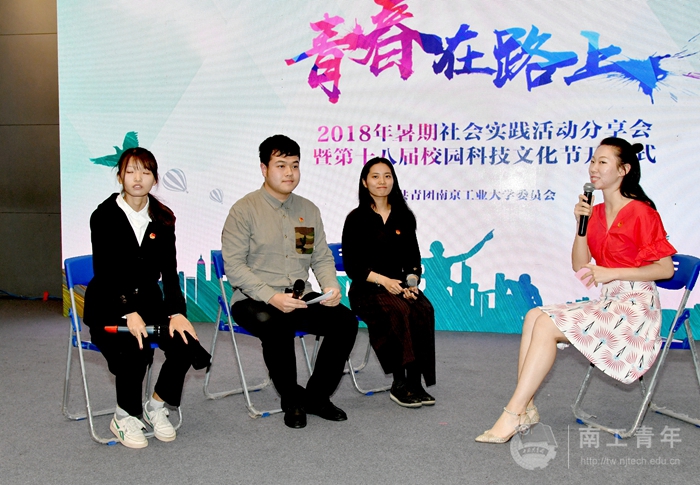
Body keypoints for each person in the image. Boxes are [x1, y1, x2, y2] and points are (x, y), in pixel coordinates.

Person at [476, 137, 676, 443]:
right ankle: (526, 407)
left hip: (635, 310)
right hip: (609, 301)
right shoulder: (595, 213)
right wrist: (582, 223)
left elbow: (665, 269)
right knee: (534, 315)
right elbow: (580, 265)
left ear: (623, 170)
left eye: (603, 162)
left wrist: (613, 272)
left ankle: (513, 412)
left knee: (545, 325)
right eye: (593, 161)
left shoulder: (642, 212)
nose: (593, 168)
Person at [222, 134, 358, 429]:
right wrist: (271, 296)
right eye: (281, 165)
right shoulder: (244, 210)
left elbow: (320, 257)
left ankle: (317, 397)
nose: (289, 173)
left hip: (300, 296)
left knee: (345, 322)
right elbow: (234, 267)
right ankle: (292, 399)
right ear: (264, 169)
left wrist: (330, 285)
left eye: (295, 165)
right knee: (277, 323)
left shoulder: (308, 210)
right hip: (253, 299)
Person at [84, 147, 209, 449]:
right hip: (109, 304)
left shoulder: (163, 219)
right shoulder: (103, 216)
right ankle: (124, 416)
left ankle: (155, 405)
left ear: (155, 178)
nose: (137, 178)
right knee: (133, 347)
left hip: (150, 304)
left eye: (145, 172)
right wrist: (128, 310)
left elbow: (170, 272)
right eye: (130, 171)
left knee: (186, 344)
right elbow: (105, 271)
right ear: (120, 177)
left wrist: (177, 313)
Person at [341, 157, 436, 408]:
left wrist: (412, 283)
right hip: (366, 290)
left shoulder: (404, 216)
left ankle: (415, 381)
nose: (382, 181)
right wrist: (385, 281)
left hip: (400, 286)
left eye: (387, 176)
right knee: (399, 310)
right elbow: (353, 267)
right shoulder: (356, 219)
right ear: (365, 182)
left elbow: (413, 260)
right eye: (375, 176)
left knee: (423, 309)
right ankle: (399, 382)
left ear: (393, 180)